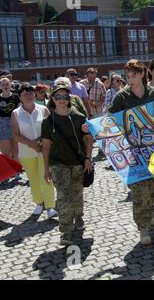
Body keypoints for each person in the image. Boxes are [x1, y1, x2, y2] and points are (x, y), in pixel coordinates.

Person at [109, 59, 154, 245]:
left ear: (142, 74)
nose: (130, 79)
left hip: (153, 150)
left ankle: (149, 209)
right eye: (127, 76)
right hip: (132, 151)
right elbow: (110, 121)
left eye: (133, 75)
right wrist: (91, 128)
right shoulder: (121, 98)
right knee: (139, 190)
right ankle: (143, 228)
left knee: (152, 187)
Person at [41, 83, 94, 246]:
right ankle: (65, 231)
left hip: (78, 163)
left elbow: (88, 139)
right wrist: (46, 169)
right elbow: (46, 146)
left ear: (69, 98)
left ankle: (78, 216)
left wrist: (88, 159)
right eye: (58, 96)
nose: (62, 99)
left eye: (65, 96)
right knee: (63, 196)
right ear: (52, 99)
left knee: (77, 194)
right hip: (58, 164)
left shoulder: (78, 116)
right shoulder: (48, 121)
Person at [11, 84, 57, 218]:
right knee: (33, 179)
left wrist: (44, 142)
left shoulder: (43, 109)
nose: (28, 96)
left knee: (46, 177)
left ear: (34, 95)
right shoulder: (15, 113)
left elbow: (51, 127)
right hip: (26, 151)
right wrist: (32, 144)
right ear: (20, 97)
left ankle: (50, 206)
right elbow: (16, 134)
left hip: (45, 149)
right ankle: (39, 202)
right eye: (25, 94)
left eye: (30, 93)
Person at [0, 77, 21, 158]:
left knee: (16, 150)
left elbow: (20, 110)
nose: (5, 86)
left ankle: (18, 168)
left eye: (7, 84)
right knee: (6, 152)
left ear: (10, 85)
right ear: (0, 86)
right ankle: (9, 169)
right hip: (2, 125)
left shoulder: (16, 97)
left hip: (14, 123)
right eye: (3, 84)